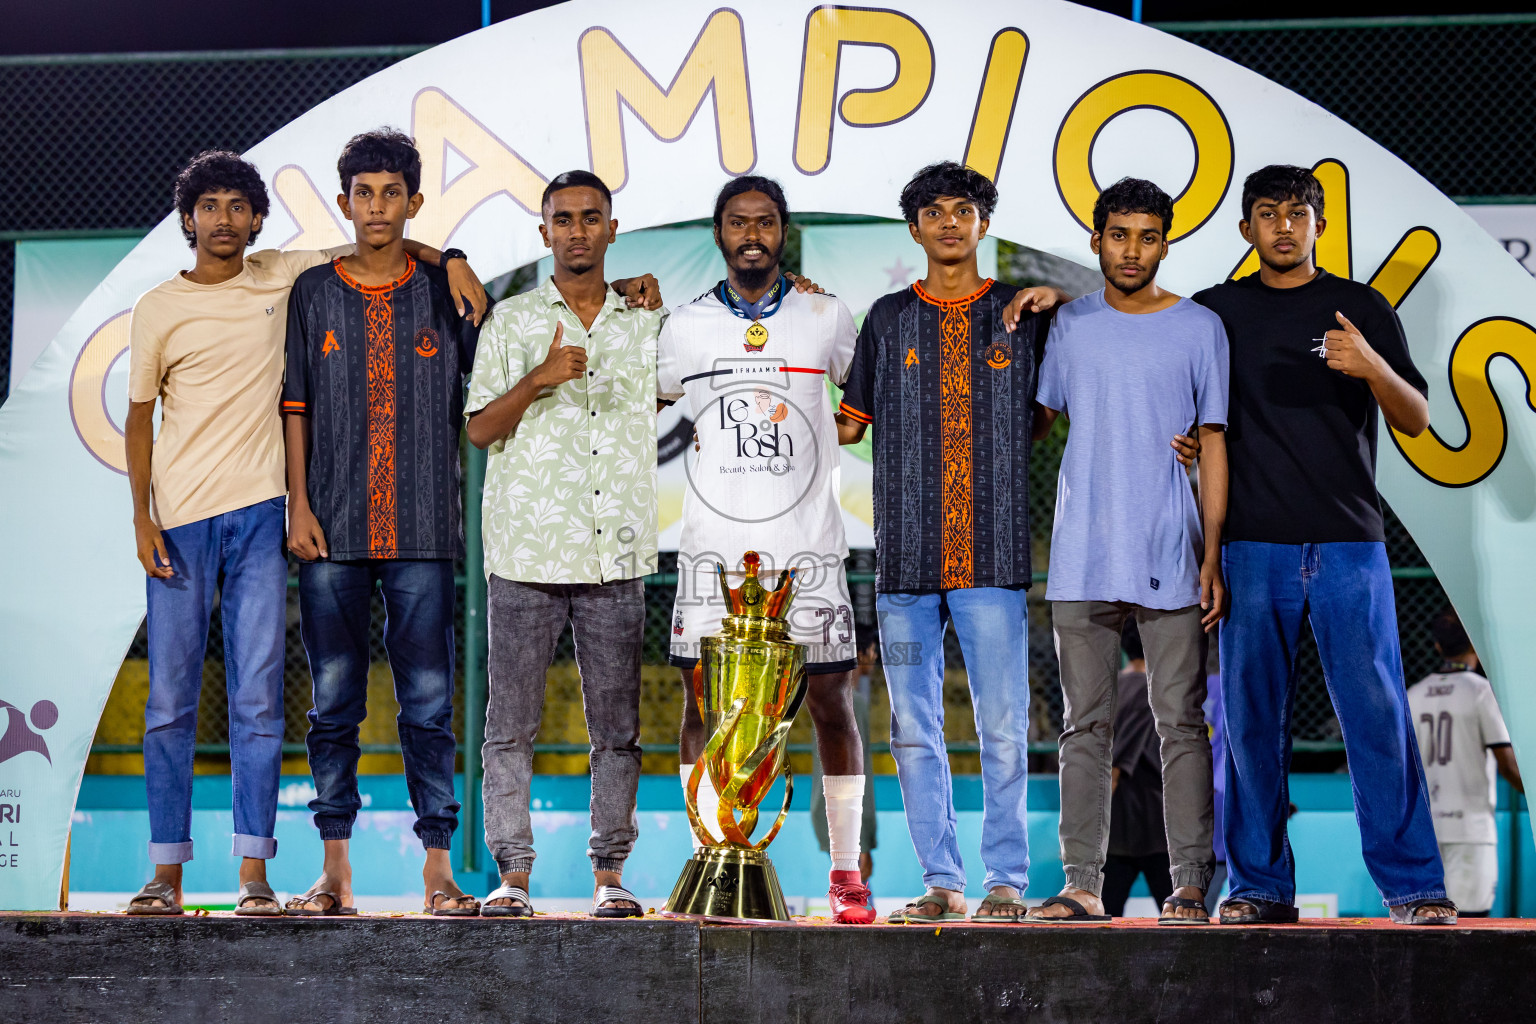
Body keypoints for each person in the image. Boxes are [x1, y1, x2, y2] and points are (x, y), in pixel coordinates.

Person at [123, 149, 485, 916]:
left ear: (257, 220)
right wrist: (146, 514)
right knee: (189, 704)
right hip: (235, 521)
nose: (223, 220)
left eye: (236, 207)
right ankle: (192, 875)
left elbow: (387, 251)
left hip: (316, 517)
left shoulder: (296, 276)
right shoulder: (203, 301)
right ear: (187, 220)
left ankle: (274, 877)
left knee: (293, 701)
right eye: (208, 207)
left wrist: (451, 257)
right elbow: (151, 416)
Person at [1192, 164, 1455, 924]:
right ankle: (1260, 890)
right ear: (1246, 228)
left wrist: (1371, 364)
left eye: (1298, 213)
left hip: (1348, 542)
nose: (1284, 225)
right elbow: (1194, 405)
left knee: (1377, 717)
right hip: (1252, 545)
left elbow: (1415, 419)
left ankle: (1413, 889)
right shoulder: (1217, 312)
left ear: (1319, 224)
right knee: (1249, 724)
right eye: (1268, 213)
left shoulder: (1359, 306)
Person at [836, 161, 1062, 922]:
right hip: (902, 564)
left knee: (1003, 726)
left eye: (963, 210)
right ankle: (942, 882)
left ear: (984, 223)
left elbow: (1061, 398)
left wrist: (1066, 298)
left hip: (993, 557)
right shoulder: (888, 319)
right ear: (914, 228)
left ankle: (1004, 881)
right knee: (912, 728)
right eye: (932, 212)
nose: (948, 223)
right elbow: (846, 423)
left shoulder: (1025, 316)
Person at [281, 128, 496, 916]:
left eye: (391, 193)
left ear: (414, 201)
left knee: (429, 705)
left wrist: (455, 257)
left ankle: (439, 869)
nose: (377, 207)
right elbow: (294, 407)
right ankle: (334, 871)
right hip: (329, 529)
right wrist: (298, 504)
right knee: (333, 702)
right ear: (344, 203)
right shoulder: (314, 291)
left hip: (424, 530)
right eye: (363, 194)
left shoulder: (451, 293)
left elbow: (494, 381)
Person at [659, 175, 878, 923]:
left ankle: (847, 872)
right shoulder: (681, 326)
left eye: (765, 222)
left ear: (783, 231)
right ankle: (713, 847)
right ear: (718, 234)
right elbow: (641, 399)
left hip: (807, 550)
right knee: (701, 705)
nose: (752, 234)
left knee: (829, 703)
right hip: (711, 555)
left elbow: (859, 405)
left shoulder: (826, 315)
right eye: (737, 222)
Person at [464, 169, 667, 918]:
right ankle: (512, 876)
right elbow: (481, 427)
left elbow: (690, 381)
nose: (577, 230)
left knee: (618, 730)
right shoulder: (513, 321)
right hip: (524, 550)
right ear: (543, 232)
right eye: (563, 219)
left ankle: (609, 877)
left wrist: (657, 303)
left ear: (613, 229)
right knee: (508, 728)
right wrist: (542, 378)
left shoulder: (646, 320)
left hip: (614, 551)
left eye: (591, 217)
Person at [1026, 177, 1227, 924]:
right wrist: (1023, 324)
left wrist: (1210, 553)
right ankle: (1081, 882)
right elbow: (1039, 422)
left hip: (1171, 552)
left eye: (1147, 236)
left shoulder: (1200, 327)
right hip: (1081, 555)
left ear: (1165, 243)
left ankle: (1191, 884)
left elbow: (1213, 443)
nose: (1132, 249)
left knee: (1181, 723)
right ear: (1096, 240)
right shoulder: (1071, 325)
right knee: (1084, 725)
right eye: (1119, 234)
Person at [1406, 609, 1523, 917]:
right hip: (1470, 829)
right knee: (1471, 924)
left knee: (1427, 921)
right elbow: (1508, 765)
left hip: (1425, 830)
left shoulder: (1413, 695)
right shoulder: (1481, 692)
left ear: (1438, 647)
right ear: (1475, 644)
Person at [1100, 622, 1175, 918]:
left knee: (1104, 918)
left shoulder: (1109, 687)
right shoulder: (1160, 689)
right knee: (1180, 917)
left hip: (1115, 827)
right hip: (1159, 824)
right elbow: (1117, 765)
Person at [811, 623, 880, 884]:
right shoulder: (853, 704)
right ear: (864, 655)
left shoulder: (826, 700)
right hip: (848, 823)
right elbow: (861, 774)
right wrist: (863, 842)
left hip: (828, 813)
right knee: (854, 896)